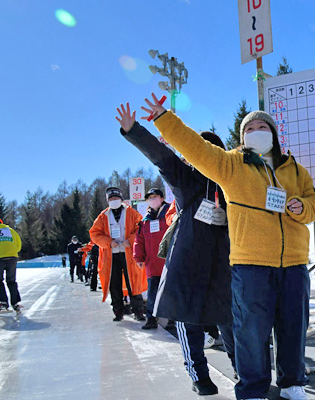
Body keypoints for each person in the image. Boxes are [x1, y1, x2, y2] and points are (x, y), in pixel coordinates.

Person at [142, 96, 315, 400]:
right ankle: (252, 389)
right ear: (242, 138)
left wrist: (300, 207)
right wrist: (164, 119)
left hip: (293, 263)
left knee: (292, 327)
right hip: (250, 264)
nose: (256, 130)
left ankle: (292, 383)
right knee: (251, 333)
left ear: (273, 133)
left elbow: (314, 204)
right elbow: (195, 148)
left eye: (262, 126)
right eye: (249, 128)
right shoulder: (232, 165)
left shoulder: (295, 170)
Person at [116, 104, 235, 396]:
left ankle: (244, 372)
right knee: (187, 319)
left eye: (213, 149)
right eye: (201, 149)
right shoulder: (187, 179)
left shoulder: (232, 181)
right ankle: (199, 377)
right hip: (188, 261)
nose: (206, 154)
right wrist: (134, 131)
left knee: (230, 322)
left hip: (224, 262)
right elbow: (162, 157)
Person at [89, 187, 148, 322]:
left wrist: (131, 241)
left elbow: (141, 228)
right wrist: (109, 243)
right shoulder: (103, 216)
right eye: (111, 199)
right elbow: (95, 233)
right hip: (111, 255)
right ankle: (118, 310)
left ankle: (138, 310)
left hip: (128, 254)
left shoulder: (132, 213)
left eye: (116, 198)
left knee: (133, 282)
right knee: (114, 284)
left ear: (121, 199)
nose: (114, 201)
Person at [132, 187, 170, 330]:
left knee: (170, 292)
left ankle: (172, 318)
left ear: (162, 198)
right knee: (152, 294)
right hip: (152, 264)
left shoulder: (170, 214)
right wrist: (138, 257)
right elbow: (139, 240)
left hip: (168, 262)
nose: (152, 200)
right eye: (150, 198)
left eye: (155, 197)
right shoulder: (145, 221)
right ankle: (151, 319)